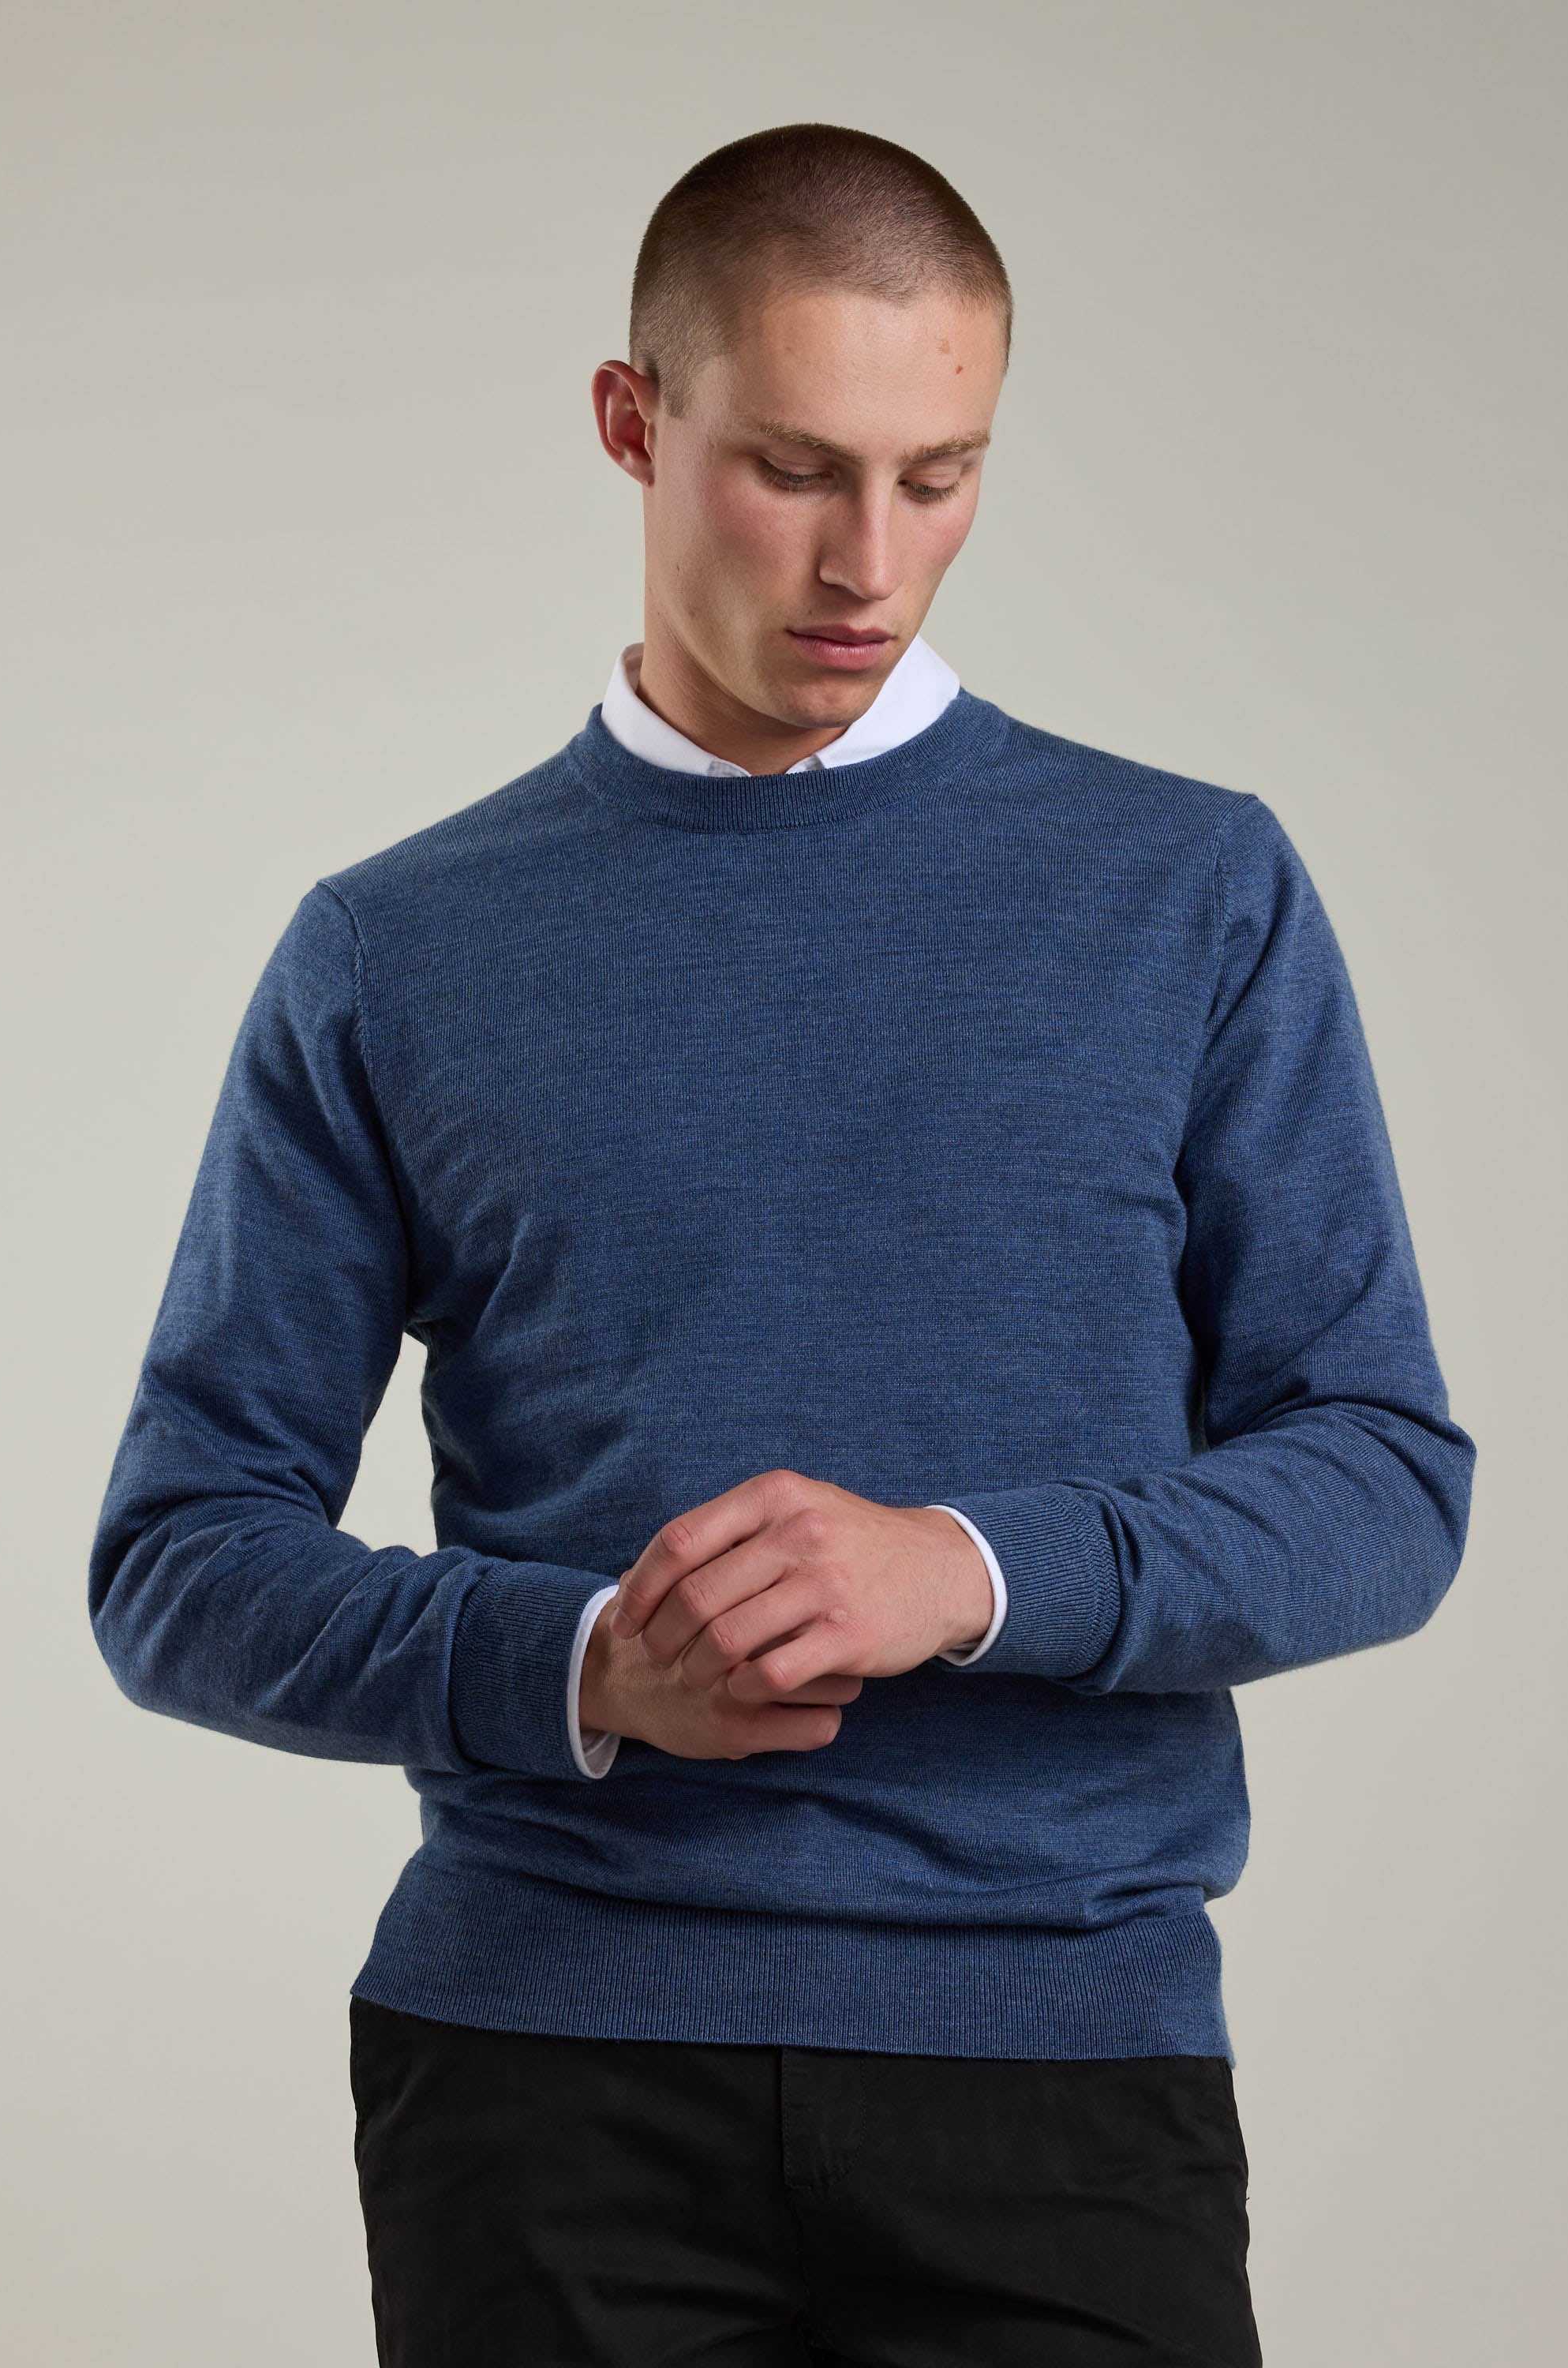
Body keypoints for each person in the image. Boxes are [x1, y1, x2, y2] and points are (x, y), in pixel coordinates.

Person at [89, 122, 1476, 2366]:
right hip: (543, 2075)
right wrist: (580, 1669)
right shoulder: (398, 948)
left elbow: (1385, 1481)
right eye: (796, 468)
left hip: (1057, 2068)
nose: (869, 562)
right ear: (632, 423)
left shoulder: (1186, 890)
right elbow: (175, 1559)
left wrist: (973, 1569)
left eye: (939, 478)